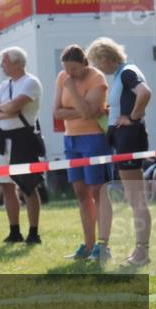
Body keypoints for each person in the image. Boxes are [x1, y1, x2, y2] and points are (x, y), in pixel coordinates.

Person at [87, 37, 152, 266]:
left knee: (136, 198)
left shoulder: (127, 72)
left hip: (129, 138)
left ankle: (142, 252)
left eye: (97, 63)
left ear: (105, 58)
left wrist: (132, 117)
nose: (98, 69)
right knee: (134, 197)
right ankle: (140, 250)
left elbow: (145, 93)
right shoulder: (121, 74)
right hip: (124, 138)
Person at [54, 44, 112, 263]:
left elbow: (88, 115)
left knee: (97, 192)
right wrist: (80, 110)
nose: (70, 74)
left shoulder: (97, 79)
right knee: (80, 193)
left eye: (74, 70)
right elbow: (56, 112)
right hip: (71, 140)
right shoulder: (62, 76)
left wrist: (72, 89)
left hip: (93, 139)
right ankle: (87, 245)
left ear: (84, 64)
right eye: (67, 69)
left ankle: (103, 246)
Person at [0, 47, 45, 245]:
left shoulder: (31, 82)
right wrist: (4, 112)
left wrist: (2, 110)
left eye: (5, 61)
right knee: (5, 184)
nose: (2, 65)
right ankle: (14, 231)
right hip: (4, 138)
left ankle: (34, 232)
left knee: (28, 186)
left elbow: (14, 106)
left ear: (17, 63)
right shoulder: (4, 85)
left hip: (23, 138)